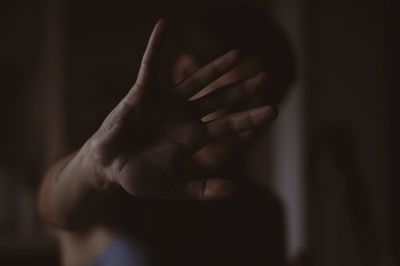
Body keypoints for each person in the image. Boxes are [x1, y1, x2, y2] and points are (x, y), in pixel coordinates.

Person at [38, 4, 295, 266]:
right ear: (186, 71)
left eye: (271, 104)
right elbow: (54, 205)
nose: (253, 127)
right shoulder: (115, 182)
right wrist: (96, 171)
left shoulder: (261, 209)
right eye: (240, 99)